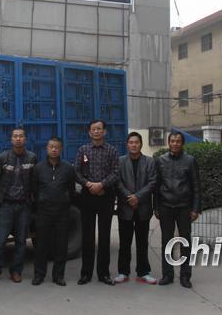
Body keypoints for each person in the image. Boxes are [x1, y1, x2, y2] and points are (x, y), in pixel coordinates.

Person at [154, 131, 202, 288]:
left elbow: (196, 186)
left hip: (184, 207)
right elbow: (156, 186)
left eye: (178, 141)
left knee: (185, 242)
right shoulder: (160, 160)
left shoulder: (190, 161)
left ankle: (185, 275)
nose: (175, 144)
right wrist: (156, 207)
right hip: (165, 207)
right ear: (168, 142)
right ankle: (167, 275)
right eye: (172, 141)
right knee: (166, 242)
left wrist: (195, 209)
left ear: (182, 143)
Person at [74, 119, 119, 285]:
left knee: (104, 235)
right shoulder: (83, 150)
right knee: (87, 236)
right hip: (87, 196)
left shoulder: (112, 150)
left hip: (106, 195)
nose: (96, 131)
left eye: (99, 129)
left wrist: (101, 185)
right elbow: (76, 171)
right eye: (93, 129)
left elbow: (116, 172)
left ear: (104, 131)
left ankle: (103, 273)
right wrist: (89, 185)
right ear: (89, 132)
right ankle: (85, 273)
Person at [0, 127, 37, 284]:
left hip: (24, 206)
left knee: (21, 242)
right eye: (15, 136)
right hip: (6, 205)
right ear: (11, 139)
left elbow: (34, 180)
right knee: (0, 241)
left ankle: (16, 271)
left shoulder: (32, 158)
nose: (18, 139)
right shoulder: (3, 157)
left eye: (21, 136)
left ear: (25, 139)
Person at [31, 136, 76, 286]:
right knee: (41, 246)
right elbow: (34, 189)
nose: (54, 149)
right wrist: (41, 201)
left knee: (61, 246)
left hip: (62, 213)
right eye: (51, 147)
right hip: (44, 212)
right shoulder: (38, 168)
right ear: (47, 149)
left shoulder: (68, 168)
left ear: (61, 149)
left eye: (57, 147)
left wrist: (65, 201)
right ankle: (39, 275)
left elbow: (71, 190)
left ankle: (58, 276)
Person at [114, 132, 157, 284]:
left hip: (143, 207)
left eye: (136, 142)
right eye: (131, 142)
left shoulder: (150, 162)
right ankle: (123, 272)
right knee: (124, 243)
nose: (134, 145)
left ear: (141, 144)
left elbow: (152, 182)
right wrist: (129, 197)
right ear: (127, 145)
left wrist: (137, 197)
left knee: (142, 242)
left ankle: (143, 272)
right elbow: (117, 182)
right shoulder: (120, 161)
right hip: (125, 208)